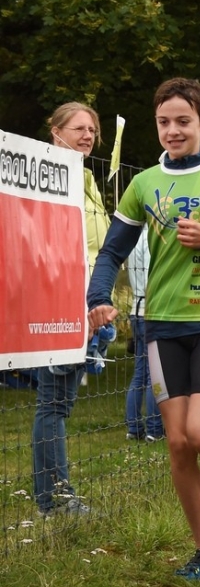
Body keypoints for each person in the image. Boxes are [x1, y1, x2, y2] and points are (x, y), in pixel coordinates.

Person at [87, 78, 200, 581]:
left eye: (183, 122)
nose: (173, 131)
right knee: (177, 443)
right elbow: (111, 252)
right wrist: (99, 297)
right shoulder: (145, 183)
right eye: (164, 122)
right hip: (161, 322)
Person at [32, 102, 108, 517]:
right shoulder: (48, 176)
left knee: (59, 402)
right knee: (54, 402)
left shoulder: (86, 178)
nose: (87, 136)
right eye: (78, 128)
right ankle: (54, 499)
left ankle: (54, 495)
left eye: (93, 131)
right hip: (59, 303)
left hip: (87, 305)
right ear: (55, 131)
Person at [125, 227, 164, 443]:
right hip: (151, 309)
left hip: (136, 308)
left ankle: (133, 426)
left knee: (140, 371)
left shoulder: (133, 236)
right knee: (154, 374)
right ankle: (155, 428)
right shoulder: (153, 236)